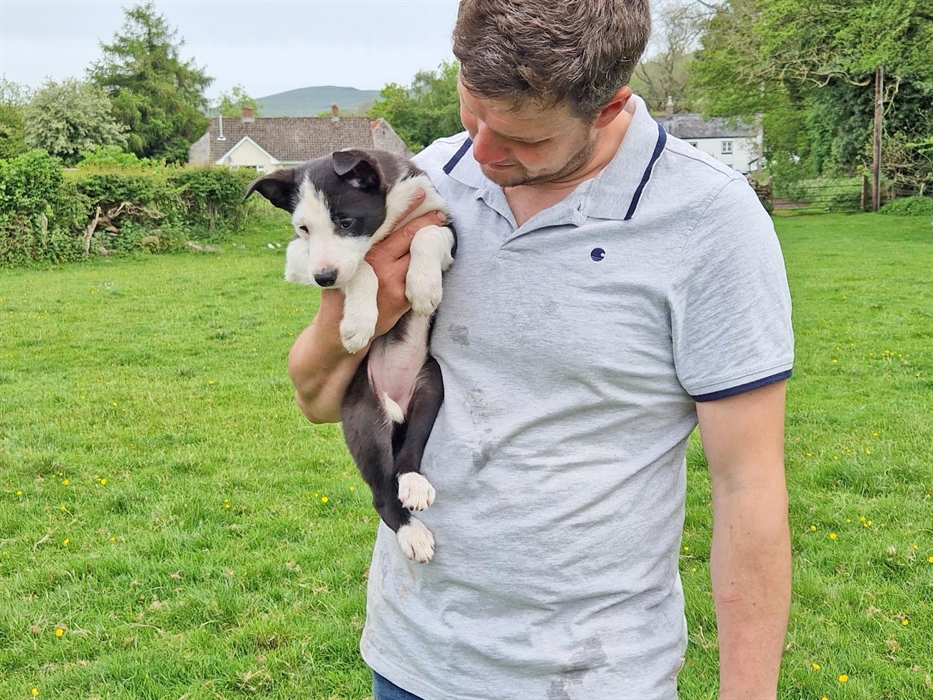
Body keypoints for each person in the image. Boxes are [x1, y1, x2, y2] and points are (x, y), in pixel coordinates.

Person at [288, 1, 794, 698]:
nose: (483, 154)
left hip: (596, 675)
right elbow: (317, 398)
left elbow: (749, 485)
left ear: (610, 104)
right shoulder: (423, 185)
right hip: (414, 662)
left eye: (523, 138)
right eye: (473, 112)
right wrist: (370, 297)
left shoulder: (708, 221)